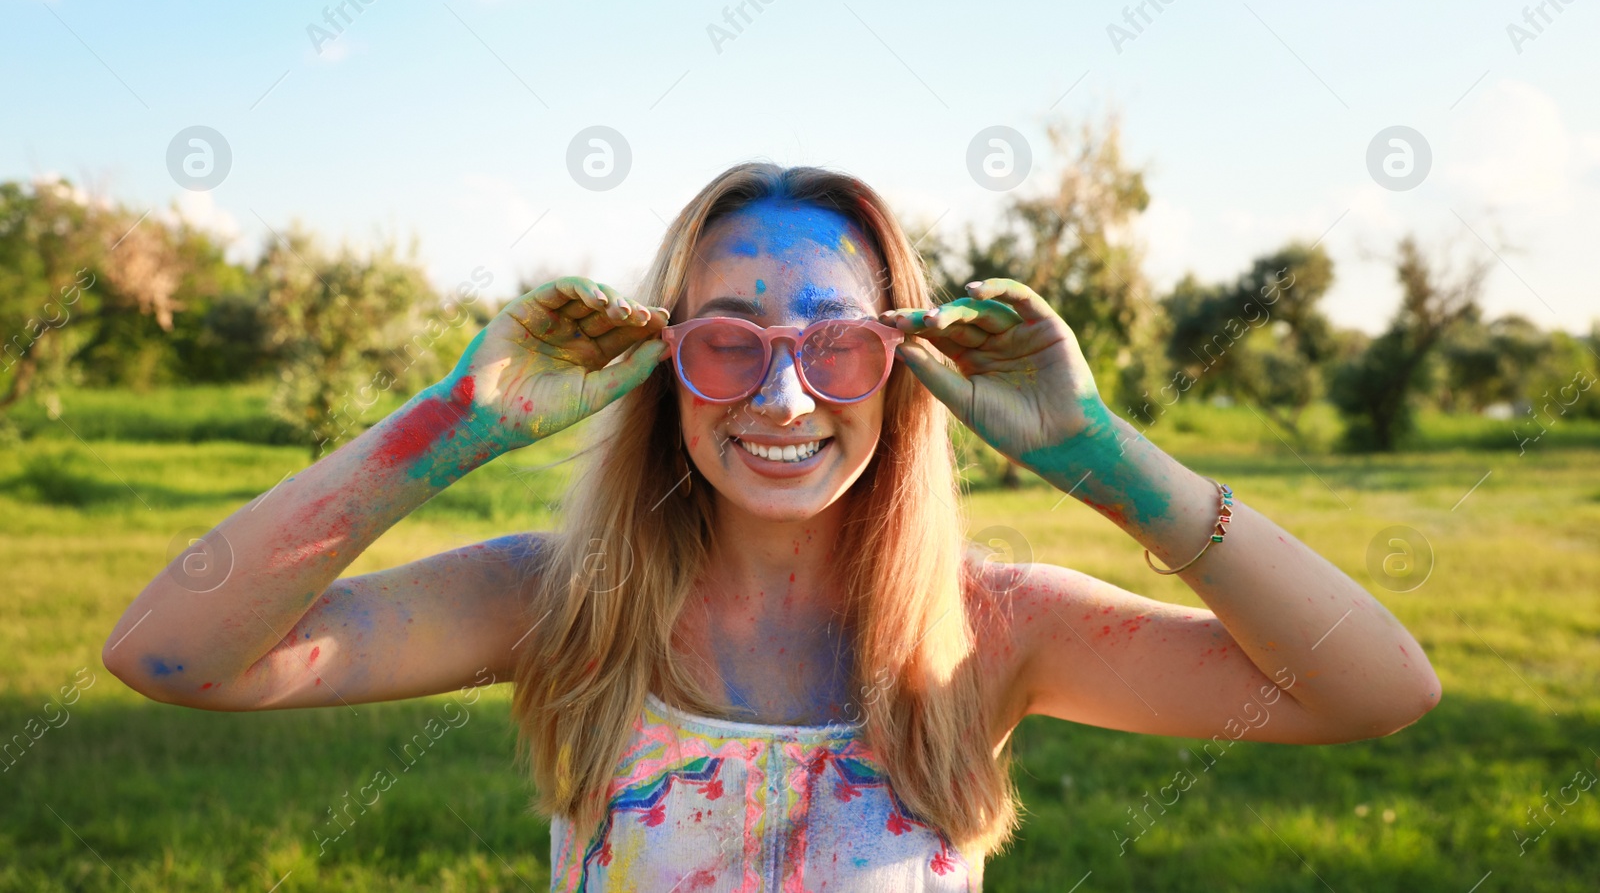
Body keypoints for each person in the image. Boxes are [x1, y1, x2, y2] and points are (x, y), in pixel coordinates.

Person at [104, 163, 1440, 890]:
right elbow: (174, 652)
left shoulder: (991, 631)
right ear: (660, 365)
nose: (785, 395)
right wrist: (454, 423)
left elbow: (1376, 688)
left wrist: (1101, 456)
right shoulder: (557, 605)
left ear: (909, 372)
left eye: (839, 345)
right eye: (732, 343)